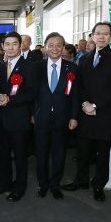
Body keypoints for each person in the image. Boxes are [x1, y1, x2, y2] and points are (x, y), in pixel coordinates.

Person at [62, 22, 111, 202]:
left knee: (102, 153)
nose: (101, 36)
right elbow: (79, 86)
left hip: (105, 115)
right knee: (82, 151)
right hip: (85, 113)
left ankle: (99, 185)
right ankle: (80, 181)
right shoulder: (84, 59)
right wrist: (84, 103)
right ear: (92, 36)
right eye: (98, 33)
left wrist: (95, 105)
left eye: (106, 34)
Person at [0, 31, 36, 202]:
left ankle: (19, 187)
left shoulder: (29, 66)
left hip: (19, 120)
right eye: (7, 44)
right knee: (2, 155)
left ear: (21, 45)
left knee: (19, 156)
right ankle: (5, 183)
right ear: (2, 47)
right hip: (2, 119)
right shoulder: (2, 66)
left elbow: (32, 94)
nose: (10, 47)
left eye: (14, 44)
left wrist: (10, 99)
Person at [33, 32, 79, 200]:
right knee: (41, 153)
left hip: (63, 118)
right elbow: (32, 94)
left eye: (58, 45)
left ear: (63, 47)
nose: (54, 48)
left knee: (59, 153)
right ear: (45, 48)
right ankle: (43, 184)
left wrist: (74, 117)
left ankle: (55, 185)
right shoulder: (36, 67)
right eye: (50, 45)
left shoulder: (71, 68)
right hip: (41, 117)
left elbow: (75, 95)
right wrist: (33, 113)